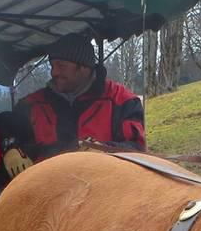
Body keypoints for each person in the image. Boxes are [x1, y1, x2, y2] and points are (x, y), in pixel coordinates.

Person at [10, 32, 146, 162]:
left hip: (104, 181)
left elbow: (137, 150)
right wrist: (10, 148)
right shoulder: (30, 105)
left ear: (83, 67)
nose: (54, 72)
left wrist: (104, 150)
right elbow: (9, 135)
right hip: (46, 182)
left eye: (61, 66)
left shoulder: (122, 101)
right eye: (52, 65)